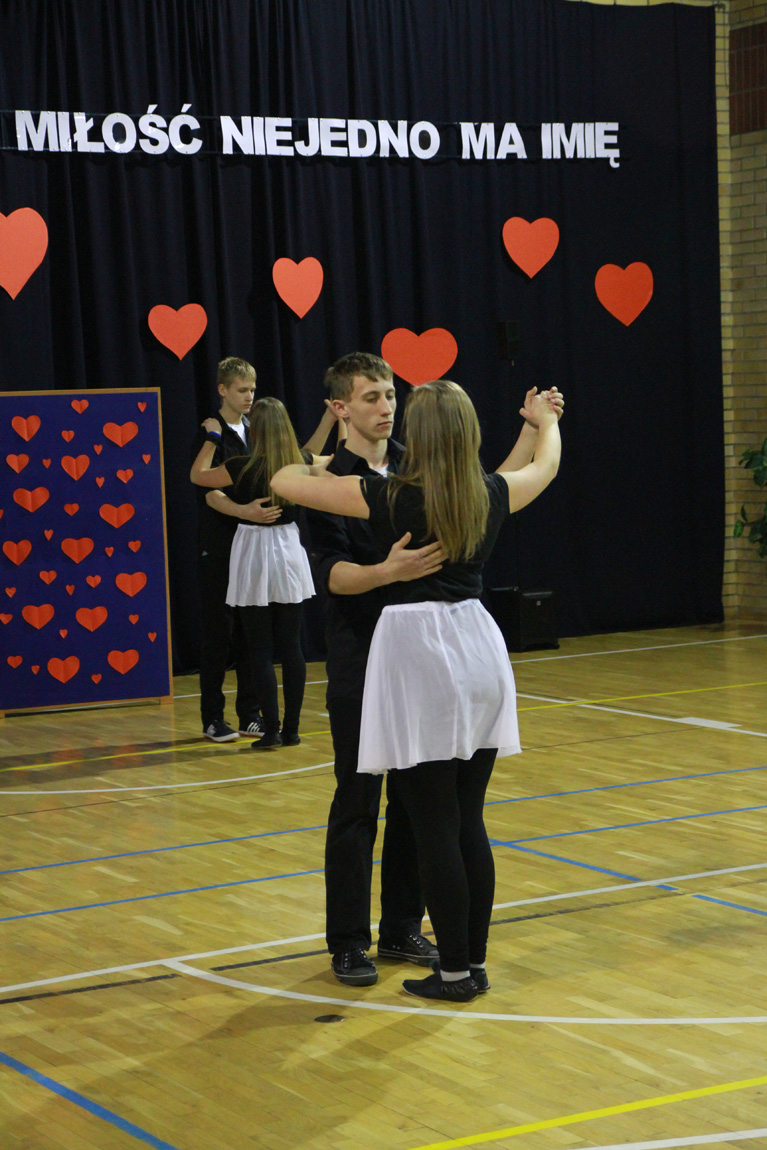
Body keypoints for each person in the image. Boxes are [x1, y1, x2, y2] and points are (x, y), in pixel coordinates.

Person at [272, 378, 562, 1003]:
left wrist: (315, 458)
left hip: (418, 653)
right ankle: (471, 963)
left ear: (419, 434)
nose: (387, 408)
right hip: (480, 648)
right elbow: (543, 465)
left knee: (433, 827)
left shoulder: (390, 496)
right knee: (467, 821)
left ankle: (452, 972)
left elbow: (284, 482)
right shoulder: (486, 491)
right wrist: (545, 422)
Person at [306, 353, 445, 987]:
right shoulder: (327, 482)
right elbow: (333, 576)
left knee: (416, 800)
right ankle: (347, 941)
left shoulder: (419, 468)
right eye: (371, 397)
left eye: (390, 394)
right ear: (340, 408)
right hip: (361, 660)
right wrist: (388, 572)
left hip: (418, 655)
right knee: (358, 801)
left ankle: (401, 927)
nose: (386, 406)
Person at [191, 396, 339, 750]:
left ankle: (270, 730)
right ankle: (292, 730)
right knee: (291, 645)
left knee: (259, 648)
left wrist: (212, 438)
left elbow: (198, 476)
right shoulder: (297, 464)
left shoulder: (240, 465)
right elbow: (331, 457)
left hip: (253, 551)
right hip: (288, 551)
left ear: (254, 430)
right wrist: (335, 420)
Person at [191, 357, 264, 743]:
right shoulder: (211, 432)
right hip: (220, 545)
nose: (249, 396)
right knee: (218, 634)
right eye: (242, 390)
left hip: (254, 544)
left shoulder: (256, 431)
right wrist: (244, 511)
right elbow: (209, 492)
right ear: (223, 390)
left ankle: (250, 714)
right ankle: (212, 718)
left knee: (252, 631)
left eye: (253, 389)